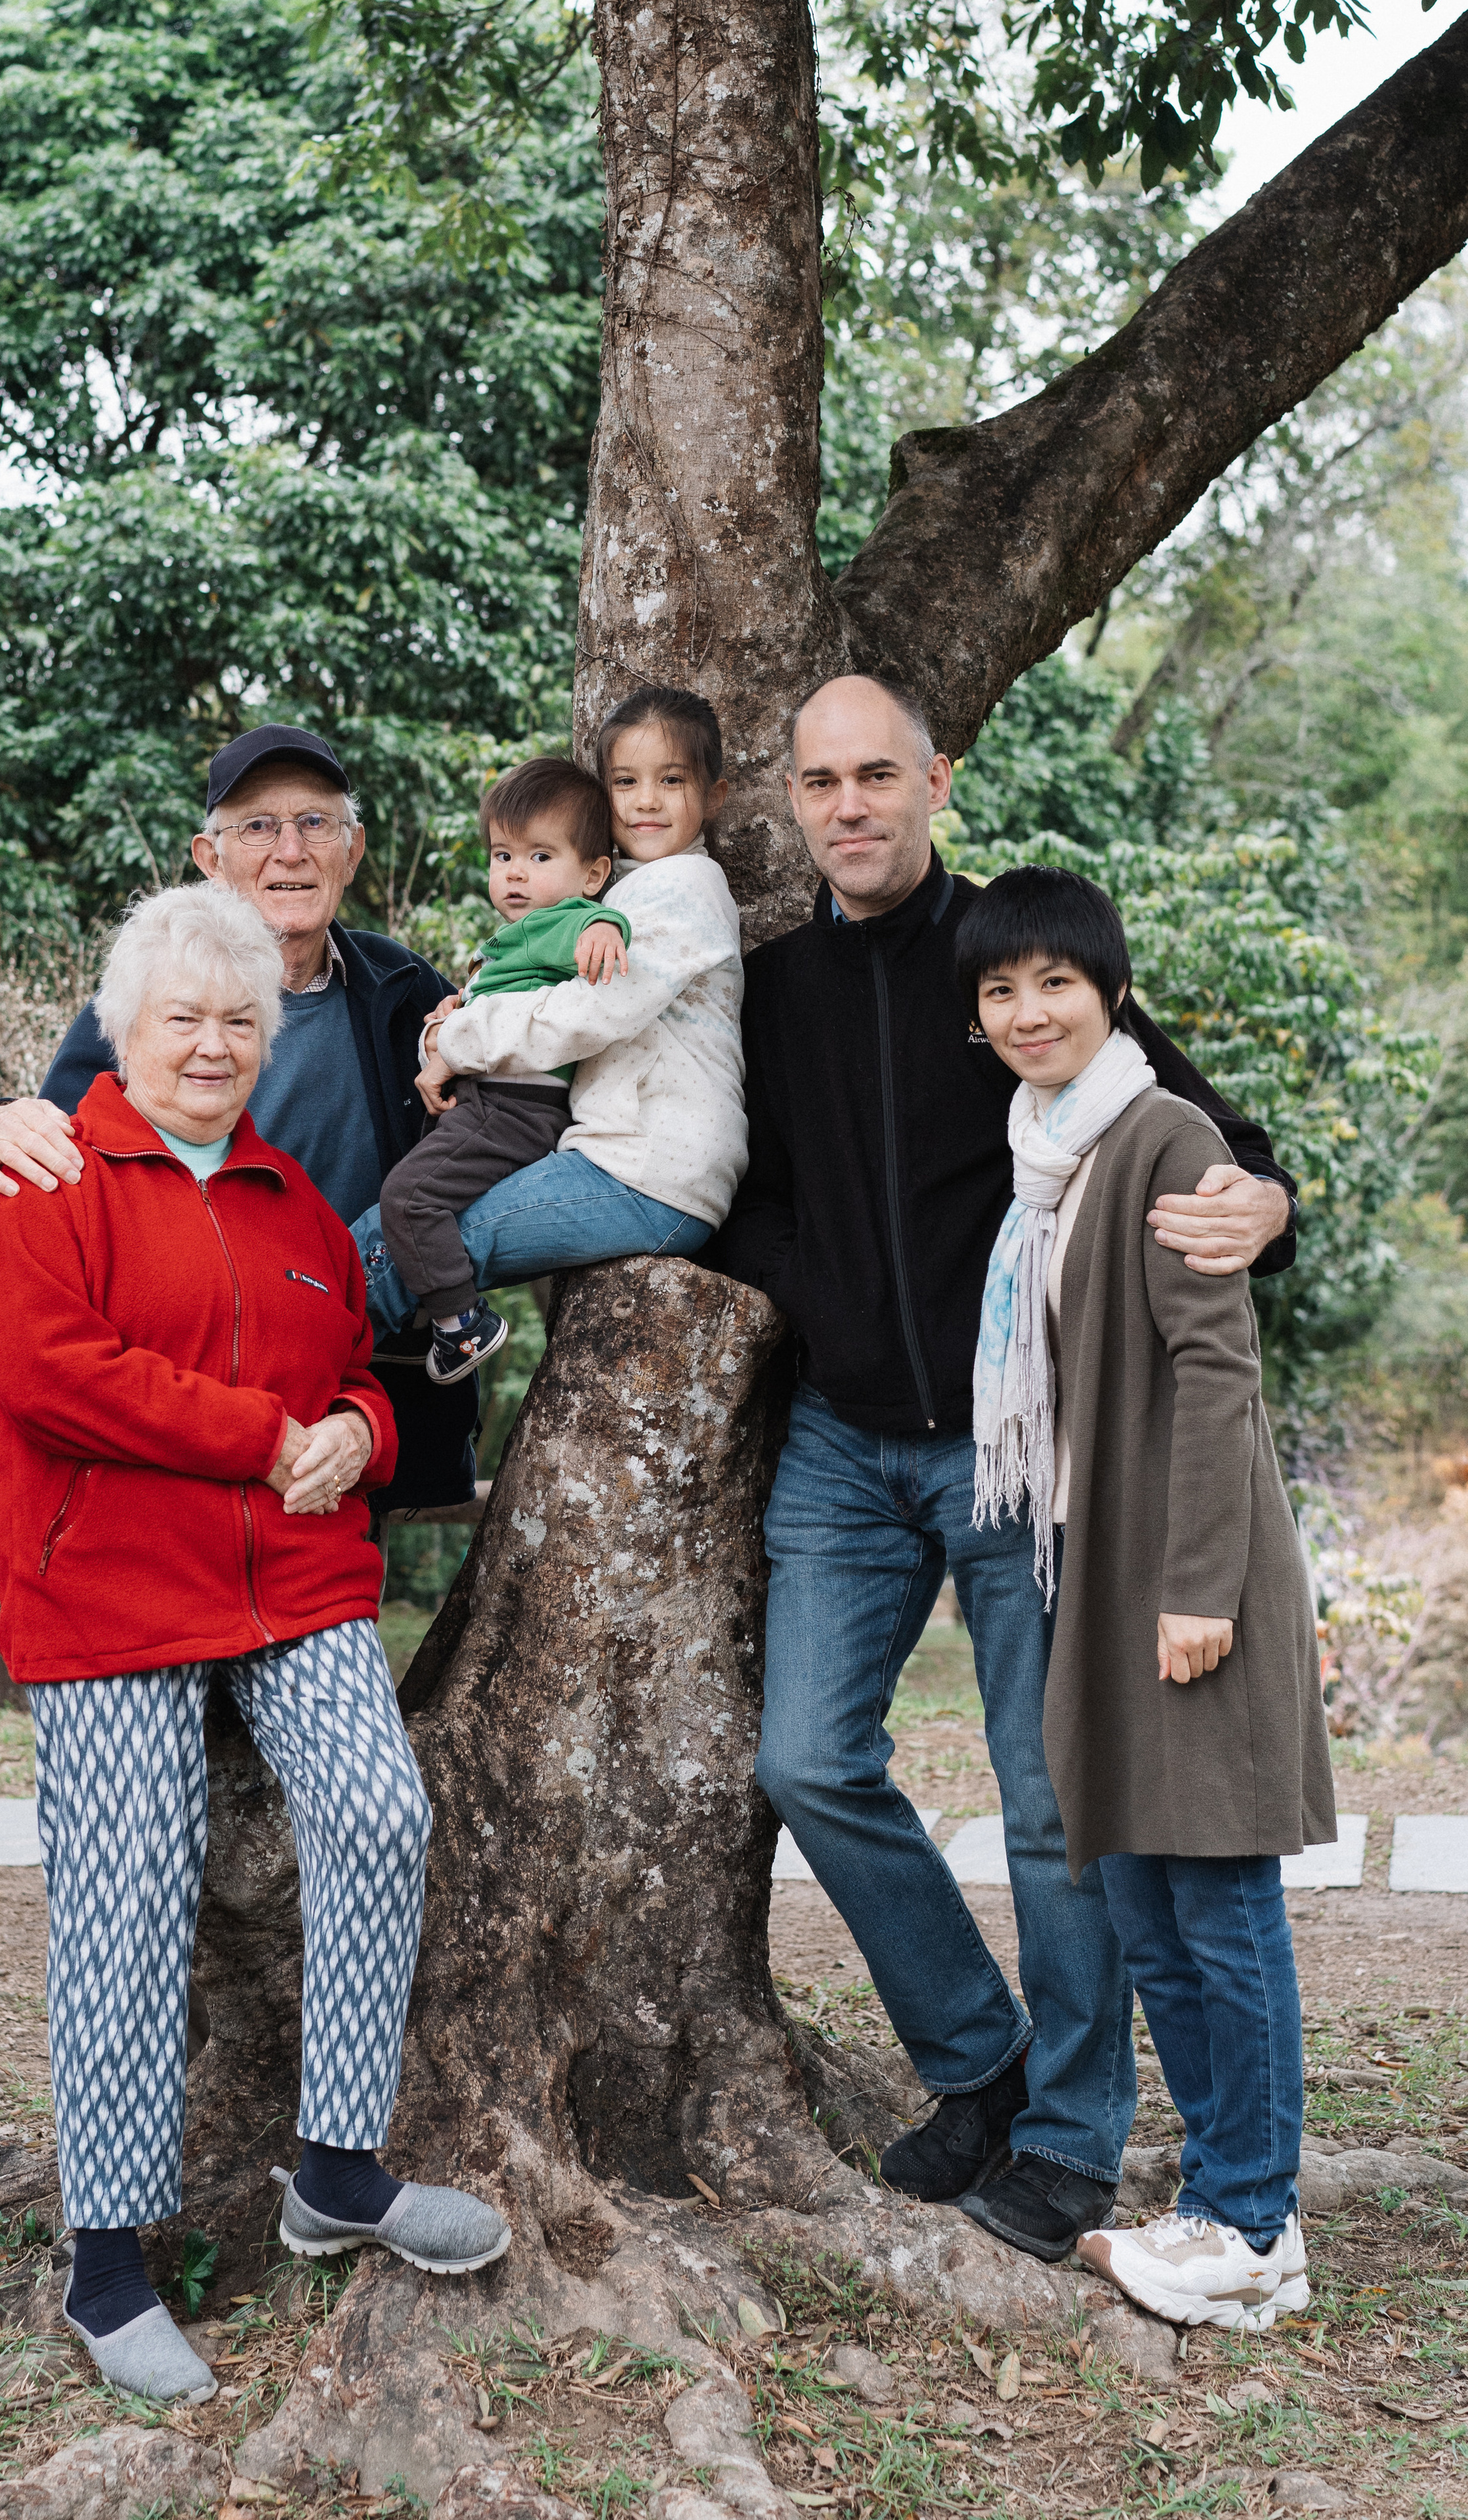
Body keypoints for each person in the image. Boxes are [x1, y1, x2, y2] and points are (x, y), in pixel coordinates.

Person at [708, 672, 1302, 2267]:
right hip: (840, 1442)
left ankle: (1064, 2140)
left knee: (1053, 1810)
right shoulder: (764, 989)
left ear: (934, 780)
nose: (849, 806)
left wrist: (1268, 1194)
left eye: (878, 774)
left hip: (1012, 1448)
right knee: (806, 1758)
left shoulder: (1007, 963)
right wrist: (817, 1284)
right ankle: (978, 2057)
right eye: (820, 779)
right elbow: (727, 1188)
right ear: (793, 795)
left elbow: (1203, 1133)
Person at [0, 887, 509, 2408]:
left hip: (294, 1587)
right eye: (178, 1020)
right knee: (133, 1885)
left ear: (267, 1042)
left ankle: (336, 2165)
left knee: (378, 1808)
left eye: (236, 1022)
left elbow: (360, 1376)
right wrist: (264, 1436)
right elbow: (52, 1371)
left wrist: (354, 1424)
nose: (209, 1044)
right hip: (114, 1594)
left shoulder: (291, 1205)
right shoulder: (55, 1172)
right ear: (123, 1033)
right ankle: (109, 2261)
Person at [957, 864, 1332, 2330]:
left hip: (1184, 1573)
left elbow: (1212, 1369)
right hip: (1095, 1569)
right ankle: (1223, 2207)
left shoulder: (1161, 1134)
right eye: (996, 990)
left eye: (1053, 981)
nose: (1024, 1010)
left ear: (1110, 994)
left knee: (1211, 1897)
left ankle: (1252, 2226)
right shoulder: (1044, 1153)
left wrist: (1197, 1588)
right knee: (1137, 1895)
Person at [0, 723, 475, 1513]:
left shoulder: (403, 989)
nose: (289, 851)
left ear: (353, 848)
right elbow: (52, 1152)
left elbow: (490, 1130)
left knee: (333, 1588)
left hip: (350, 1382)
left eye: (315, 823)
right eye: (257, 827)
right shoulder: (147, 992)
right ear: (209, 858)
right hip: (184, 1384)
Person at [354, 686, 745, 1328]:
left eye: (670, 780)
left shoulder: (685, 889)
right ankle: (323, 1345)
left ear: (714, 797)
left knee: (419, 1241)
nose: (645, 801)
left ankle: (295, 1351)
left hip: (651, 1174)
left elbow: (586, 1014)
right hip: (622, 1163)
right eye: (625, 781)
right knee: (402, 1228)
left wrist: (456, 1040)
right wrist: (453, 1028)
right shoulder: (622, 894)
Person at [381, 757, 629, 1383]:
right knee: (417, 1188)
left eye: (541, 857)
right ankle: (429, 1308)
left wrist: (604, 924)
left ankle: (460, 1324)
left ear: (594, 873)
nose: (515, 873)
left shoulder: (557, 923)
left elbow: (596, 926)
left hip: (515, 1110)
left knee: (407, 1200)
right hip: (491, 1103)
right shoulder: (511, 940)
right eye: (502, 856)